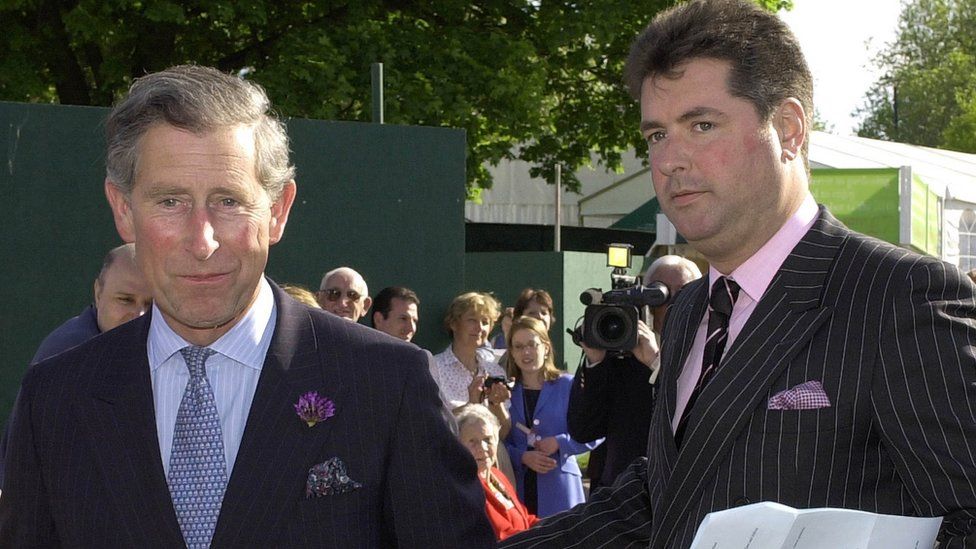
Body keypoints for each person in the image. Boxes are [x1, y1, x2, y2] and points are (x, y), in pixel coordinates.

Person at [501, 1, 976, 547]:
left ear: (790, 129)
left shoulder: (899, 297)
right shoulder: (686, 313)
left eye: (702, 125)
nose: (670, 160)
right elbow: (667, 500)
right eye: (656, 135)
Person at [0, 65, 494, 547]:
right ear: (123, 210)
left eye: (229, 202)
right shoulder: (55, 399)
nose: (202, 240)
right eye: (170, 201)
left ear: (277, 211)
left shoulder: (389, 384)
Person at [568, 255, 701, 490]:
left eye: (683, 292)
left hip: (683, 488)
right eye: (659, 294)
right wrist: (596, 362)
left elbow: (699, 419)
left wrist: (656, 363)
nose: (670, 303)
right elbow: (583, 429)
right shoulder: (621, 349)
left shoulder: (710, 347)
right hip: (625, 496)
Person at [503, 316, 601, 518]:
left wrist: (560, 442)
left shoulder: (567, 384)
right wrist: (522, 456)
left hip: (561, 490)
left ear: (546, 347)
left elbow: (596, 431)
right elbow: (499, 443)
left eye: (532, 344)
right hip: (519, 490)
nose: (526, 352)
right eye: (519, 347)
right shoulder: (506, 391)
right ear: (511, 352)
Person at [32, 243, 152, 363]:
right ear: (98, 294)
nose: (140, 315)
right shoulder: (70, 353)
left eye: (151, 304)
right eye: (126, 300)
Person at [455, 404, 539, 541]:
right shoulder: (468, 486)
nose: (482, 448)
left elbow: (526, 519)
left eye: (487, 440)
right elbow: (502, 535)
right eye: (472, 442)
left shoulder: (497, 475)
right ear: (459, 445)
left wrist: (559, 528)